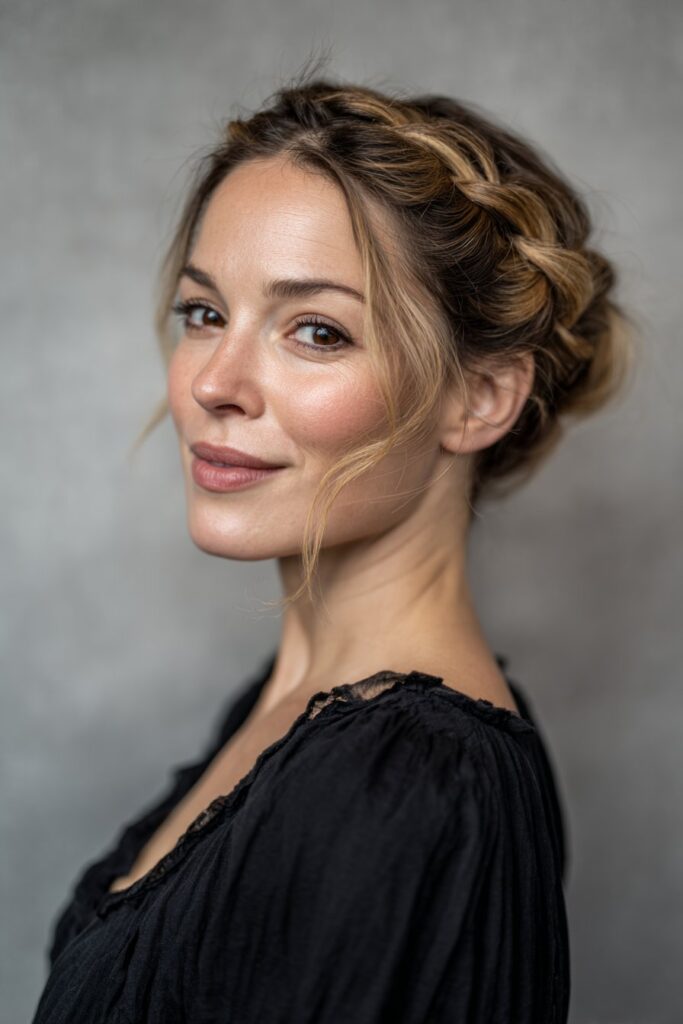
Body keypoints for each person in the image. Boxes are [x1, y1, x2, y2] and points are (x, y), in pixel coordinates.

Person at [31, 70, 633, 1023]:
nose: (215, 384)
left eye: (316, 330)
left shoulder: (411, 782)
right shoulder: (302, 712)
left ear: (479, 398)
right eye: (205, 312)